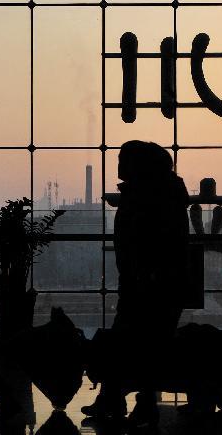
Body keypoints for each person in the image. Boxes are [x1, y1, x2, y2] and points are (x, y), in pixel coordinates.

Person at [82, 141, 190, 427]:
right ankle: (126, 400)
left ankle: (120, 400)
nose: (118, 165)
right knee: (146, 344)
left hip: (146, 285)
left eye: (123, 159)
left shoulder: (148, 198)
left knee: (133, 343)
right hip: (153, 284)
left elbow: (146, 242)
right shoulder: (163, 195)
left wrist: (144, 275)